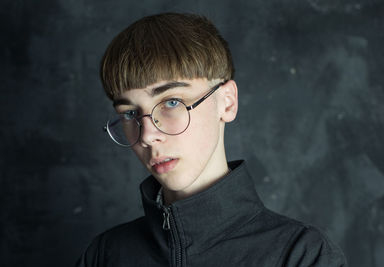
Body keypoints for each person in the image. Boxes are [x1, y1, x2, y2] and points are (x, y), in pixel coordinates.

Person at [76, 12, 347, 267]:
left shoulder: (301, 255)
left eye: (171, 102)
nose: (147, 135)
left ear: (226, 102)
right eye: (130, 113)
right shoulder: (105, 255)